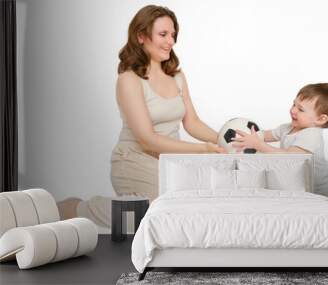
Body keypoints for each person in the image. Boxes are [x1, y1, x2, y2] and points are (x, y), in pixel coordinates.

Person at [57, 5, 224, 228]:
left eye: (173, 34)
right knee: (156, 212)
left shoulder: (176, 75)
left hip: (169, 160)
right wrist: (203, 150)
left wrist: (222, 140)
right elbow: (147, 140)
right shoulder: (129, 79)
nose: (171, 42)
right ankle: (76, 209)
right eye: (163, 34)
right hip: (134, 159)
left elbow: (192, 122)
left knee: (184, 205)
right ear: (141, 36)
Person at [232, 83, 328, 197]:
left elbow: (289, 157)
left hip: (319, 193)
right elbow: (263, 135)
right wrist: (244, 136)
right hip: (299, 188)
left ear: (320, 119)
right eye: (294, 104)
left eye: (301, 109)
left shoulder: (312, 134)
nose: (293, 110)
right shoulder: (288, 128)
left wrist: (258, 145)